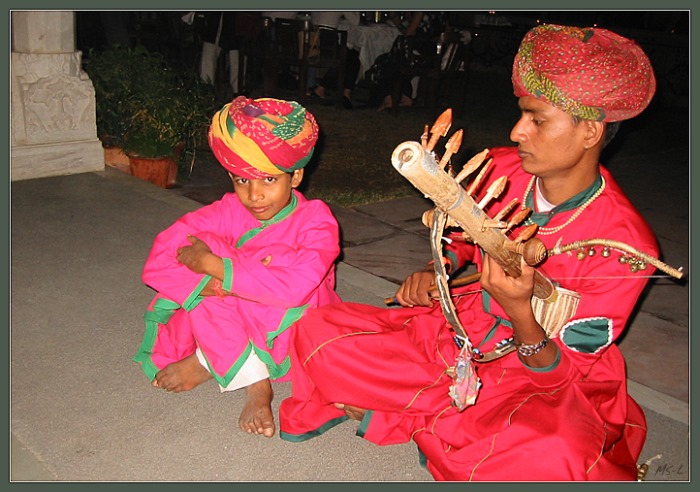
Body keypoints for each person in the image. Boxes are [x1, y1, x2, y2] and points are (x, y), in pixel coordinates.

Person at [278, 24, 658, 480]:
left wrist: (520, 311)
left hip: (536, 369)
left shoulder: (625, 246)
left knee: (558, 451)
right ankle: (444, 421)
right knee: (318, 331)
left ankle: (417, 417)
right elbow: (459, 237)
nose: (518, 131)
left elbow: (561, 376)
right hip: (460, 330)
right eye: (522, 115)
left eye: (537, 120)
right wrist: (434, 269)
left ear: (590, 131)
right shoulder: (499, 170)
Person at [132, 96, 342, 438]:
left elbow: (295, 288)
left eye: (268, 180)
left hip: (289, 325)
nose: (254, 195)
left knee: (251, 263)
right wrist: (217, 279)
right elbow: (163, 253)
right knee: (203, 261)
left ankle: (211, 360)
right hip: (230, 310)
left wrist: (217, 266)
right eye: (242, 180)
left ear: (296, 175)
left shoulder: (317, 220)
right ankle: (255, 381)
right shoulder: (230, 209)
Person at [306, 11, 361, 109]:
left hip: (311, 41)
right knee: (350, 56)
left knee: (350, 55)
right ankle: (343, 93)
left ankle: (337, 91)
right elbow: (355, 21)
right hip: (326, 40)